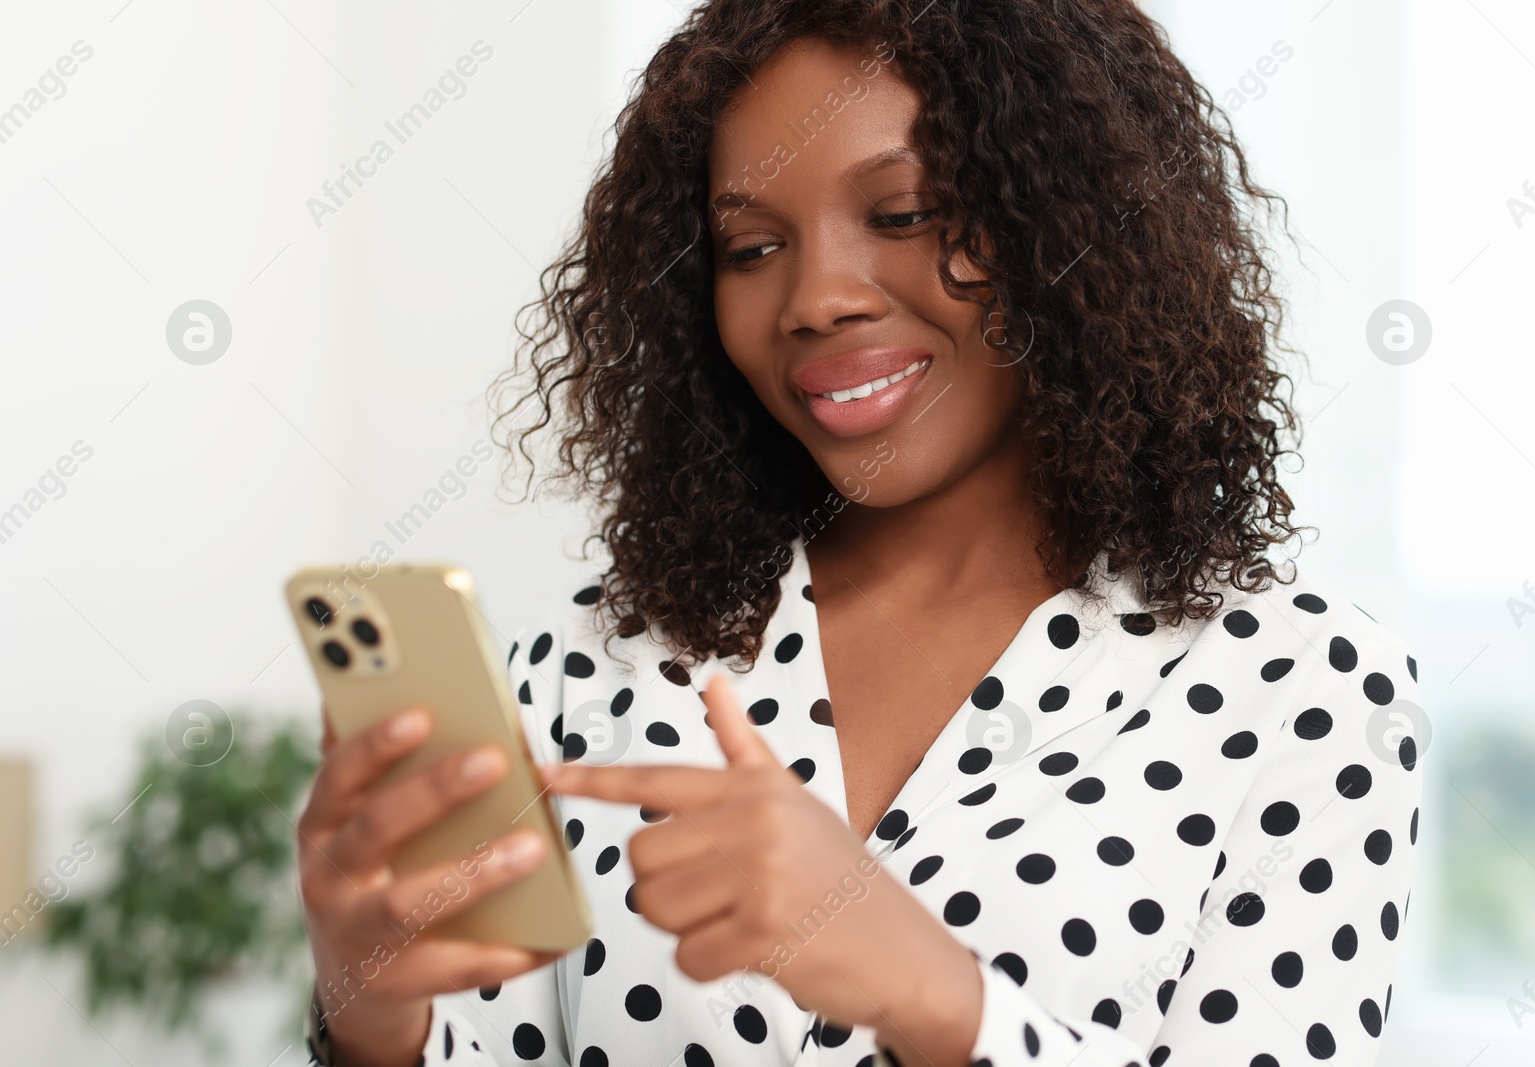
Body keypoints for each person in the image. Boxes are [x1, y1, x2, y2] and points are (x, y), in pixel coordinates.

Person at [295, 2, 1423, 1065]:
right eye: (748, 247)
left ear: (1072, 228)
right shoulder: (588, 668)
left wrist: (939, 998)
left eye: (902, 214)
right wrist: (374, 1002)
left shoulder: (1303, 687)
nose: (816, 297)